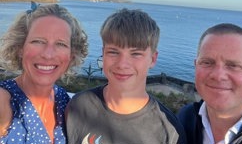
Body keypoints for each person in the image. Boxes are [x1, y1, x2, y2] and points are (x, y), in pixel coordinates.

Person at [66, 8, 187, 144]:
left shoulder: (168, 132)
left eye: (135, 54)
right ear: (103, 54)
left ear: (152, 59)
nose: (122, 64)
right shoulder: (79, 106)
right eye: (113, 52)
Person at [0, 3, 88, 144]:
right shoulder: (5, 101)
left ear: (71, 55)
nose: (48, 55)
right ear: (20, 48)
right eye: (38, 41)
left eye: (61, 44)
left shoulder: (64, 101)